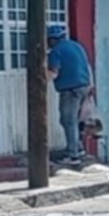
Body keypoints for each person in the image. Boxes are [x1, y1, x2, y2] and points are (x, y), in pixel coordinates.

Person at [46, 23, 93, 165]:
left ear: (52, 39)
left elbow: (53, 73)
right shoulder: (77, 46)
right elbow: (88, 66)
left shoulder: (56, 51)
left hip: (70, 90)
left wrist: (38, 80)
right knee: (74, 121)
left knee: (68, 121)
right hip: (84, 86)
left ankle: (73, 156)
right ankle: (79, 149)